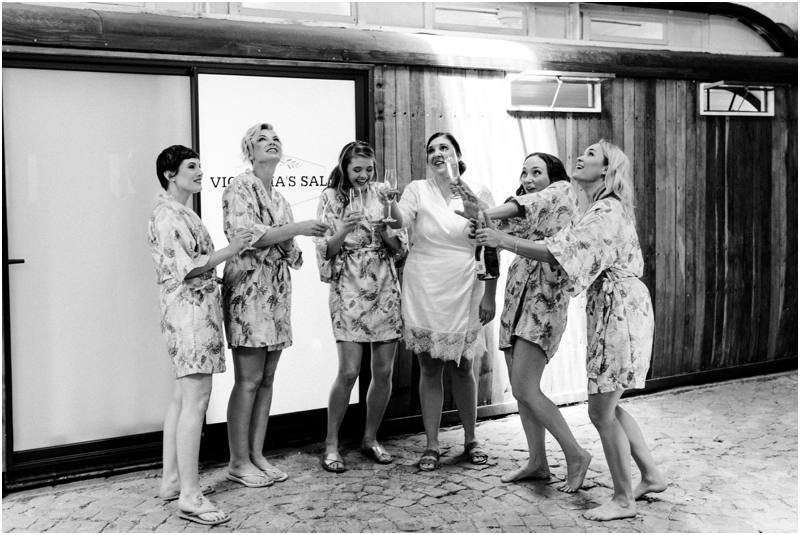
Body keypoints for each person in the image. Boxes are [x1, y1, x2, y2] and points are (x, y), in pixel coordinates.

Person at [476, 140, 667, 520]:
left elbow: (557, 251)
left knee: (600, 411)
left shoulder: (606, 211)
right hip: (612, 307)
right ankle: (651, 475)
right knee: (609, 404)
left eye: (592, 155)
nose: (581, 157)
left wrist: (502, 240)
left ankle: (623, 500)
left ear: (607, 169)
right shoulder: (597, 207)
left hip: (619, 310)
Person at [458, 152, 592, 492]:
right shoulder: (522, 208)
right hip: (516, 297)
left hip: (544, 300)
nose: (529, 179)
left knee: (525, 388)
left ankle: (576, 454)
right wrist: (479, 224)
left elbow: (524, 206)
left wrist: (485, 213)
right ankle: (537, 462)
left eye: (536, 172)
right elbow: (490, 238)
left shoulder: (562, 191)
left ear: (553, 176)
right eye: (524, 173)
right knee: (523, 393)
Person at [148, 145, 252, 525]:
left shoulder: (179, 212)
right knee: (196, 400)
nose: (199, 172)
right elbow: (188, 268)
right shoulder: (168, 215)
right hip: (189, 316)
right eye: (191, 166)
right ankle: (190, 496)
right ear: (170, 174)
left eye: (199, 166)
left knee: (181, 398)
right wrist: (232, 250)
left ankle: (172, 481)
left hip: (192, 313)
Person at [222, 123, 328, 488]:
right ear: (249, 152)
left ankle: (256, 454)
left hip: (277, 295)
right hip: (248, 293)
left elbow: (293, 255)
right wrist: (293, 229)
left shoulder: (280, 199)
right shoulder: (239, 187)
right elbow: (247, 237)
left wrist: (288, 235)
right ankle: (237, 461)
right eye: (262, 140)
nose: (271, 143)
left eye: (276, 139)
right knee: (248, 380)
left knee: (267, 380)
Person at [384, 132, 497, 471]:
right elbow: (399, 221)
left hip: (465, 282)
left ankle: (471, 439)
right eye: (431, 149)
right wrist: (389, 202)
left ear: (457, 155)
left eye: (444, 148)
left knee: (463, 366)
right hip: (424, 283)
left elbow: (491, 242)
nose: (437, 153)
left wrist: (490, 293)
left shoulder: (478, 190)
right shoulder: (417, 189)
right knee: (429, 367)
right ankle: (431, 444)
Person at [314, 141, 407, 473]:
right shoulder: (329, 197)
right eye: (357, 169)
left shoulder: (383, 193)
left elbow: (399, 246)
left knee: (383, 372)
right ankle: (331, 444)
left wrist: (385, 231)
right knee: (349, 371)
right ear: (345, 168)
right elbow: (326, 250)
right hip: (349, 286)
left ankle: (370, 438)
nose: (364, 175)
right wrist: (344, 229)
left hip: (383, 286)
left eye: (369, 169)